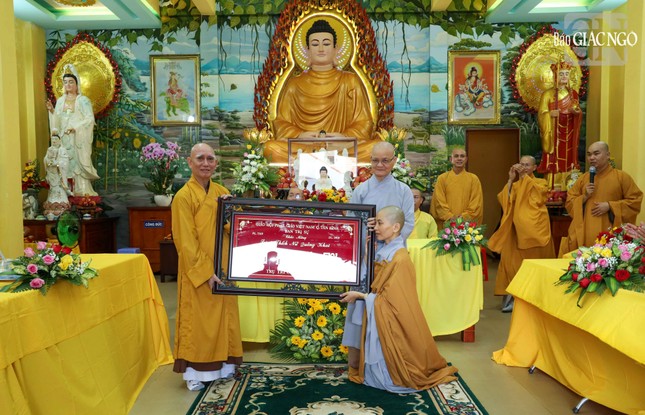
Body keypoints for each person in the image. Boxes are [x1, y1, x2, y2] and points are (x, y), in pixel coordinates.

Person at [340, 206, 458, 392]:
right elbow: (375, 281)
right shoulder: (386, 250)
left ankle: (392, 372)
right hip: (380, 312)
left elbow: (393, 299)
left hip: (391, 318)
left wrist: (361, 296)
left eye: (380, 223)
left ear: (395, 227)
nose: (375, 227)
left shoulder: (401, 258)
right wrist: (367, 254)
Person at [171, 143, 243, 391]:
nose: (205, 163)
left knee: (224, 317)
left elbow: (234, 229)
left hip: (223, 267)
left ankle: (223, 367)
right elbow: (185, 241)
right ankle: (194, 373)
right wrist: (205, 272)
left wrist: (228, 210)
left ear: (216, 163)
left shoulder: (222, 191)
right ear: (189, 162)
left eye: (210, 159)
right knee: (199, 321)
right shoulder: (183, 197)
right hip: (199, 271)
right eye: (200, 158)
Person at [266, 19, 375, 163]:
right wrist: (300, 135)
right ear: (308, 50)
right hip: (305, 146)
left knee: (373, 148)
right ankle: (323, 159)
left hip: (338, 145)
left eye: (327, 43)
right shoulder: (294, 84)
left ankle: (313, 160)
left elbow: (364, 122)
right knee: (270, 148)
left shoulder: (350, 81)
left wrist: (343, 136)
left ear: (335, 49)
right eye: (315, 44)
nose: (321, 49)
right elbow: (281, 122)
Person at [488, 156, 555, 312]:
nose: (524, 167)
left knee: (536, 265)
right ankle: (513, 299)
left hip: (535, 232)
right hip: (515, 232)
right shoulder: (516, 185)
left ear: (534, 167)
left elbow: (540, 198)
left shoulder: (540, 183)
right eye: (522, 164)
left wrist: (525, 177)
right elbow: (505, 200)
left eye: (527, 165)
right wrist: (510, 180)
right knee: (512, 264)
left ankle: (536, 298)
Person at [559, 141, 642, 256]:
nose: (592, 157)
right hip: (584, 233)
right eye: (589, 154)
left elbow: (635, 201)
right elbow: (569, 202)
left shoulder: (621, 177)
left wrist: (610, 205)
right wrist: (584, 197)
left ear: (608, 155)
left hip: (609, 233)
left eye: (596, 153)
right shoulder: (583, 179)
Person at [46, 64, 100, 196]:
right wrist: (52, 111)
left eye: (71, 82)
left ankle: (82, 191)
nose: (68, 85)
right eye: (65, 82)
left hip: (78, 139)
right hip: (64, 138)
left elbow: (89, 119)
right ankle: (65, 192)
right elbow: (57, 121)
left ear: (77, 84)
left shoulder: (83, 100)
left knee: (77, 165)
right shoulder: (60, 101)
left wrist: (75, 127)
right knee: (64, 162)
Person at [350, 142, 415, 240]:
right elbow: (352, 223)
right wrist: (366, 228)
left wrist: (388, 239)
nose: (379, 165)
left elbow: (408, 224)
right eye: (375, 160)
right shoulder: (360, 191)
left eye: (385, 160)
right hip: (366, 246)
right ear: (371, 160)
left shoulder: (404, 191)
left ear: (394, 160)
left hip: (393, 247)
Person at [537, 60, 583, 175]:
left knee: (568, 154)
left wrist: (576, 112)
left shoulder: (573, 94)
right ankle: (553, 176)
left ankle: (568, 177)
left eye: (566, 74)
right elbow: (542, 113)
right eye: (561, 74)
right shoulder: (547, 94)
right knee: (555, 155)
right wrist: (550, 114)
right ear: (555, 75)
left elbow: (577, 110)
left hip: (570, 129)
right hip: (554, 131)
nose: (564, 76)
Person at [430, 148, 483, 226]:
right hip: (446, 223)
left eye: (462, 156)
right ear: (451, 159)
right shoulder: (442, 178)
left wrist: (462, 218)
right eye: (456, 156)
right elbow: (438, 201)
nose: (459, 158)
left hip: (466, 224)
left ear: (466, 159)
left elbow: (476, 203)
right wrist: (450, 217)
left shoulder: (473, 179)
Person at [42, 134, 72, 217]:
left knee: (59, 188)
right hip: (51, 173)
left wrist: (58, 163)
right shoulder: (49, 149)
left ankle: (62, 204)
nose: (54, 141)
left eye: (55, 139)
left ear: (59, 141)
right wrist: (48, 161)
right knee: (52, 189)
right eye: (52, 140)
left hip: (59, 174)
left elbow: (65, 161)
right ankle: (51, 204)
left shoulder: (62, 150)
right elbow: (45, 159)